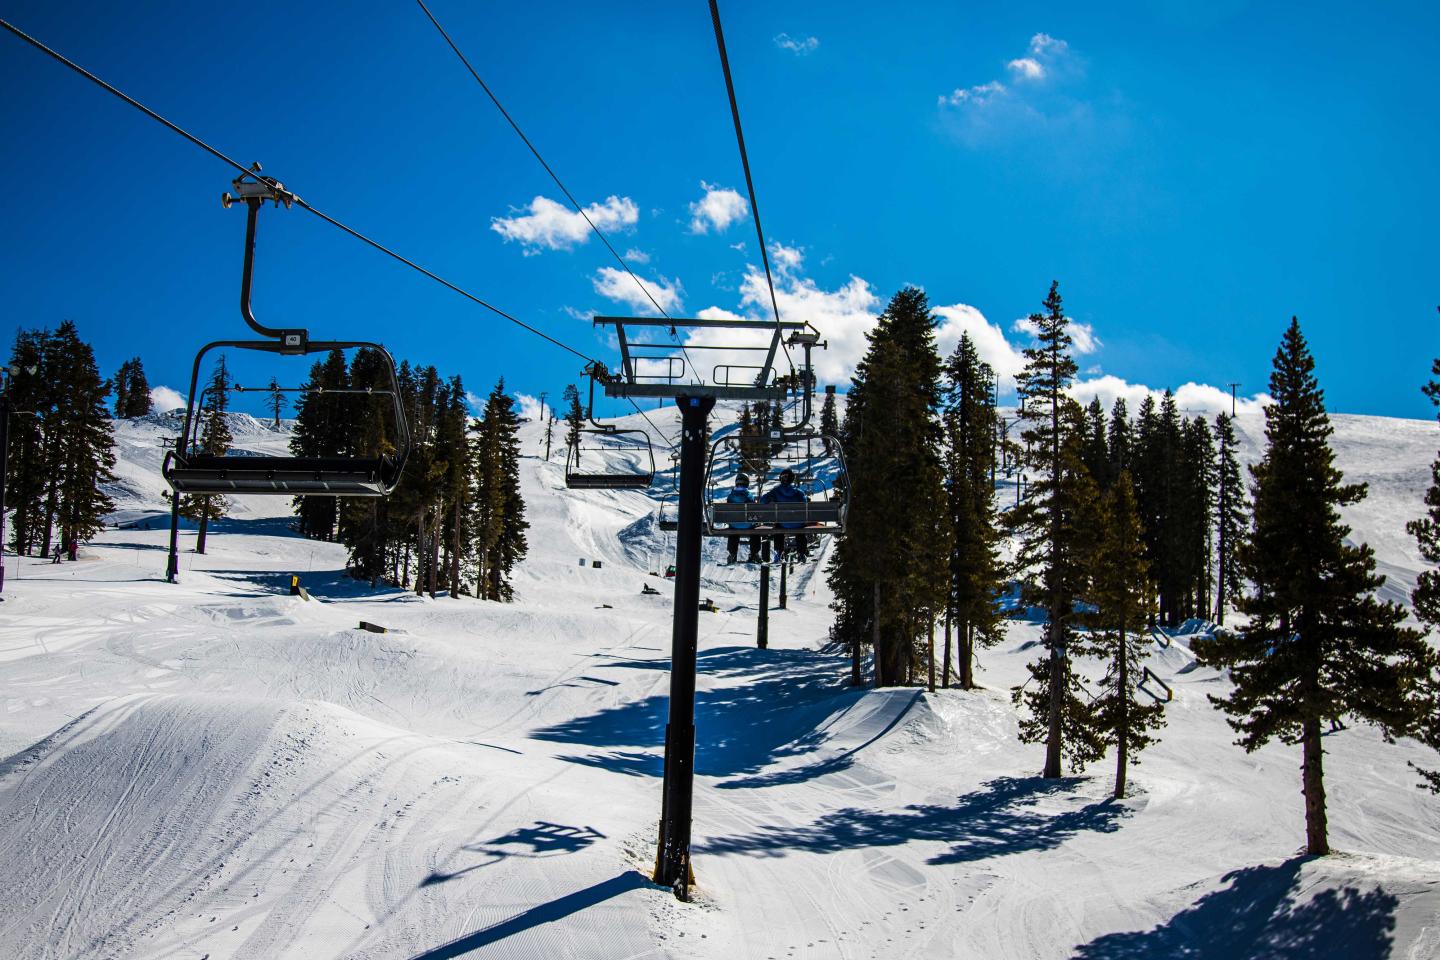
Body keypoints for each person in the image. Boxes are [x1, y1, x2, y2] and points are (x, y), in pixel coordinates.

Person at [760, 468, 809, 560]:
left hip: (783, 523)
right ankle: (801, 553)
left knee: (778, 527)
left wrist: (772, 498)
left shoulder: (776, 491)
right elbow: (804, 505)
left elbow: (762, 501)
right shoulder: (799, 492)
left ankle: (779, 552)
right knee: (801, 528)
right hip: (797, 524)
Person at [724, 474, 761, 564]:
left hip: (734, 525)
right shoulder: (749, 496)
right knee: (755, 530)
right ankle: (754, 554)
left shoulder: (730, 496)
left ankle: (732, 554)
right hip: (748, 525)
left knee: (734, 528)